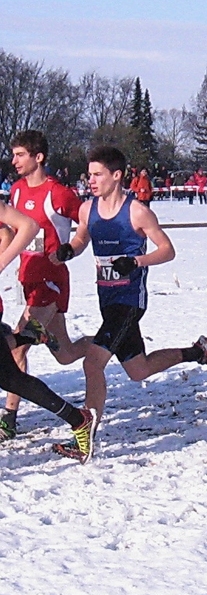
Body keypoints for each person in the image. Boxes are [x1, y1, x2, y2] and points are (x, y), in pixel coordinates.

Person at [51, 146, 207, 461]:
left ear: (116, 175)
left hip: (130, 302)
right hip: (107, 299)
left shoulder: (137, 212)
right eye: (89, 175)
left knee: (92, 362)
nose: (91, 180)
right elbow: (82, 237)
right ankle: (197, 352)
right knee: (138, 370)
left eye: (97, 174)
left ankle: (84, 437)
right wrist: (70, 250)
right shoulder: (87, 209)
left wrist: (136, 262)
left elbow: (167, 250)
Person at [0, 130, 94, 442]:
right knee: (65, 354)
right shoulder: (15, 191)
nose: (14, 161)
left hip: (51, 281)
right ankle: (110, 343)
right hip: (27, 279)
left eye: (20, 155)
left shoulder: (58, 192)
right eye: (13, 155)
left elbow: (87, 221)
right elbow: (9, 232)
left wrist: (72, 248)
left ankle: (8, 419)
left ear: (38, 157)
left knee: (18, 344)